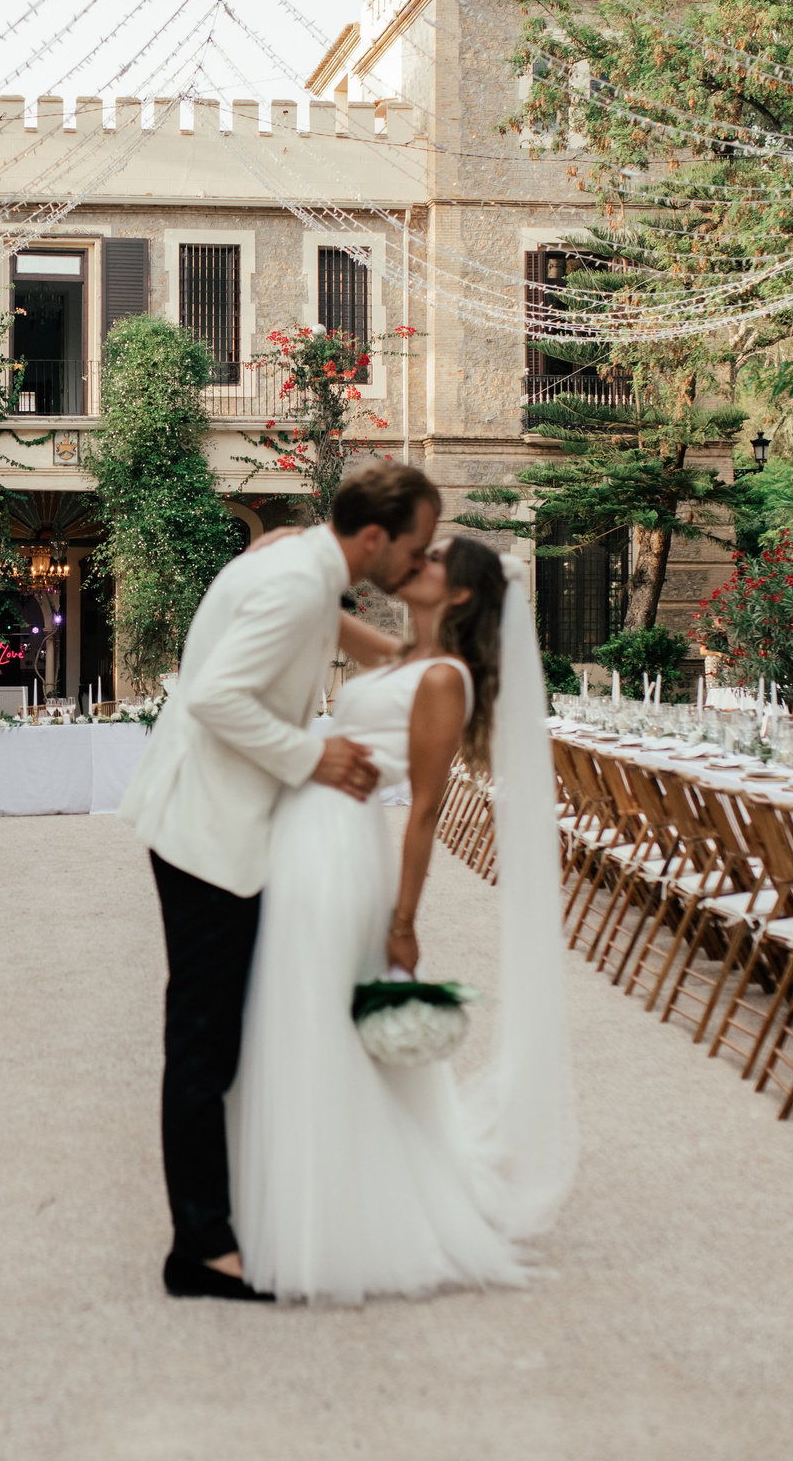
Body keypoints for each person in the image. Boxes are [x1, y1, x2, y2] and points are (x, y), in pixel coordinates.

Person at [118, 462, 440, 1301]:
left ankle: (219, 1222)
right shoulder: (301, 579)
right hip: (207, 833)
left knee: (217, 1031)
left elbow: (313, 619)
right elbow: (218, 696)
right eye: (417, 544)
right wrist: (315, 755)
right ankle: (199, 1250)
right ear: (375, 539)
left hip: (198, 813)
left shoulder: (301, 557)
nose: (421, 558)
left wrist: (383, 648)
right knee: (203, 1041)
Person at [227, 536, 579, 1302]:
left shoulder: (447, 679)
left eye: (435, 559)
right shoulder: (397, 657)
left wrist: (405, 920)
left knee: (321, 1009)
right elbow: (320, 611)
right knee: (293, 1010)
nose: (418, 559)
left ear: (458, 596)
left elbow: (425, 809)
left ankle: (338, 1217)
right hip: (303, 824)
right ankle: (297, 1193)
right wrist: (292, 546)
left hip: (342, 841)